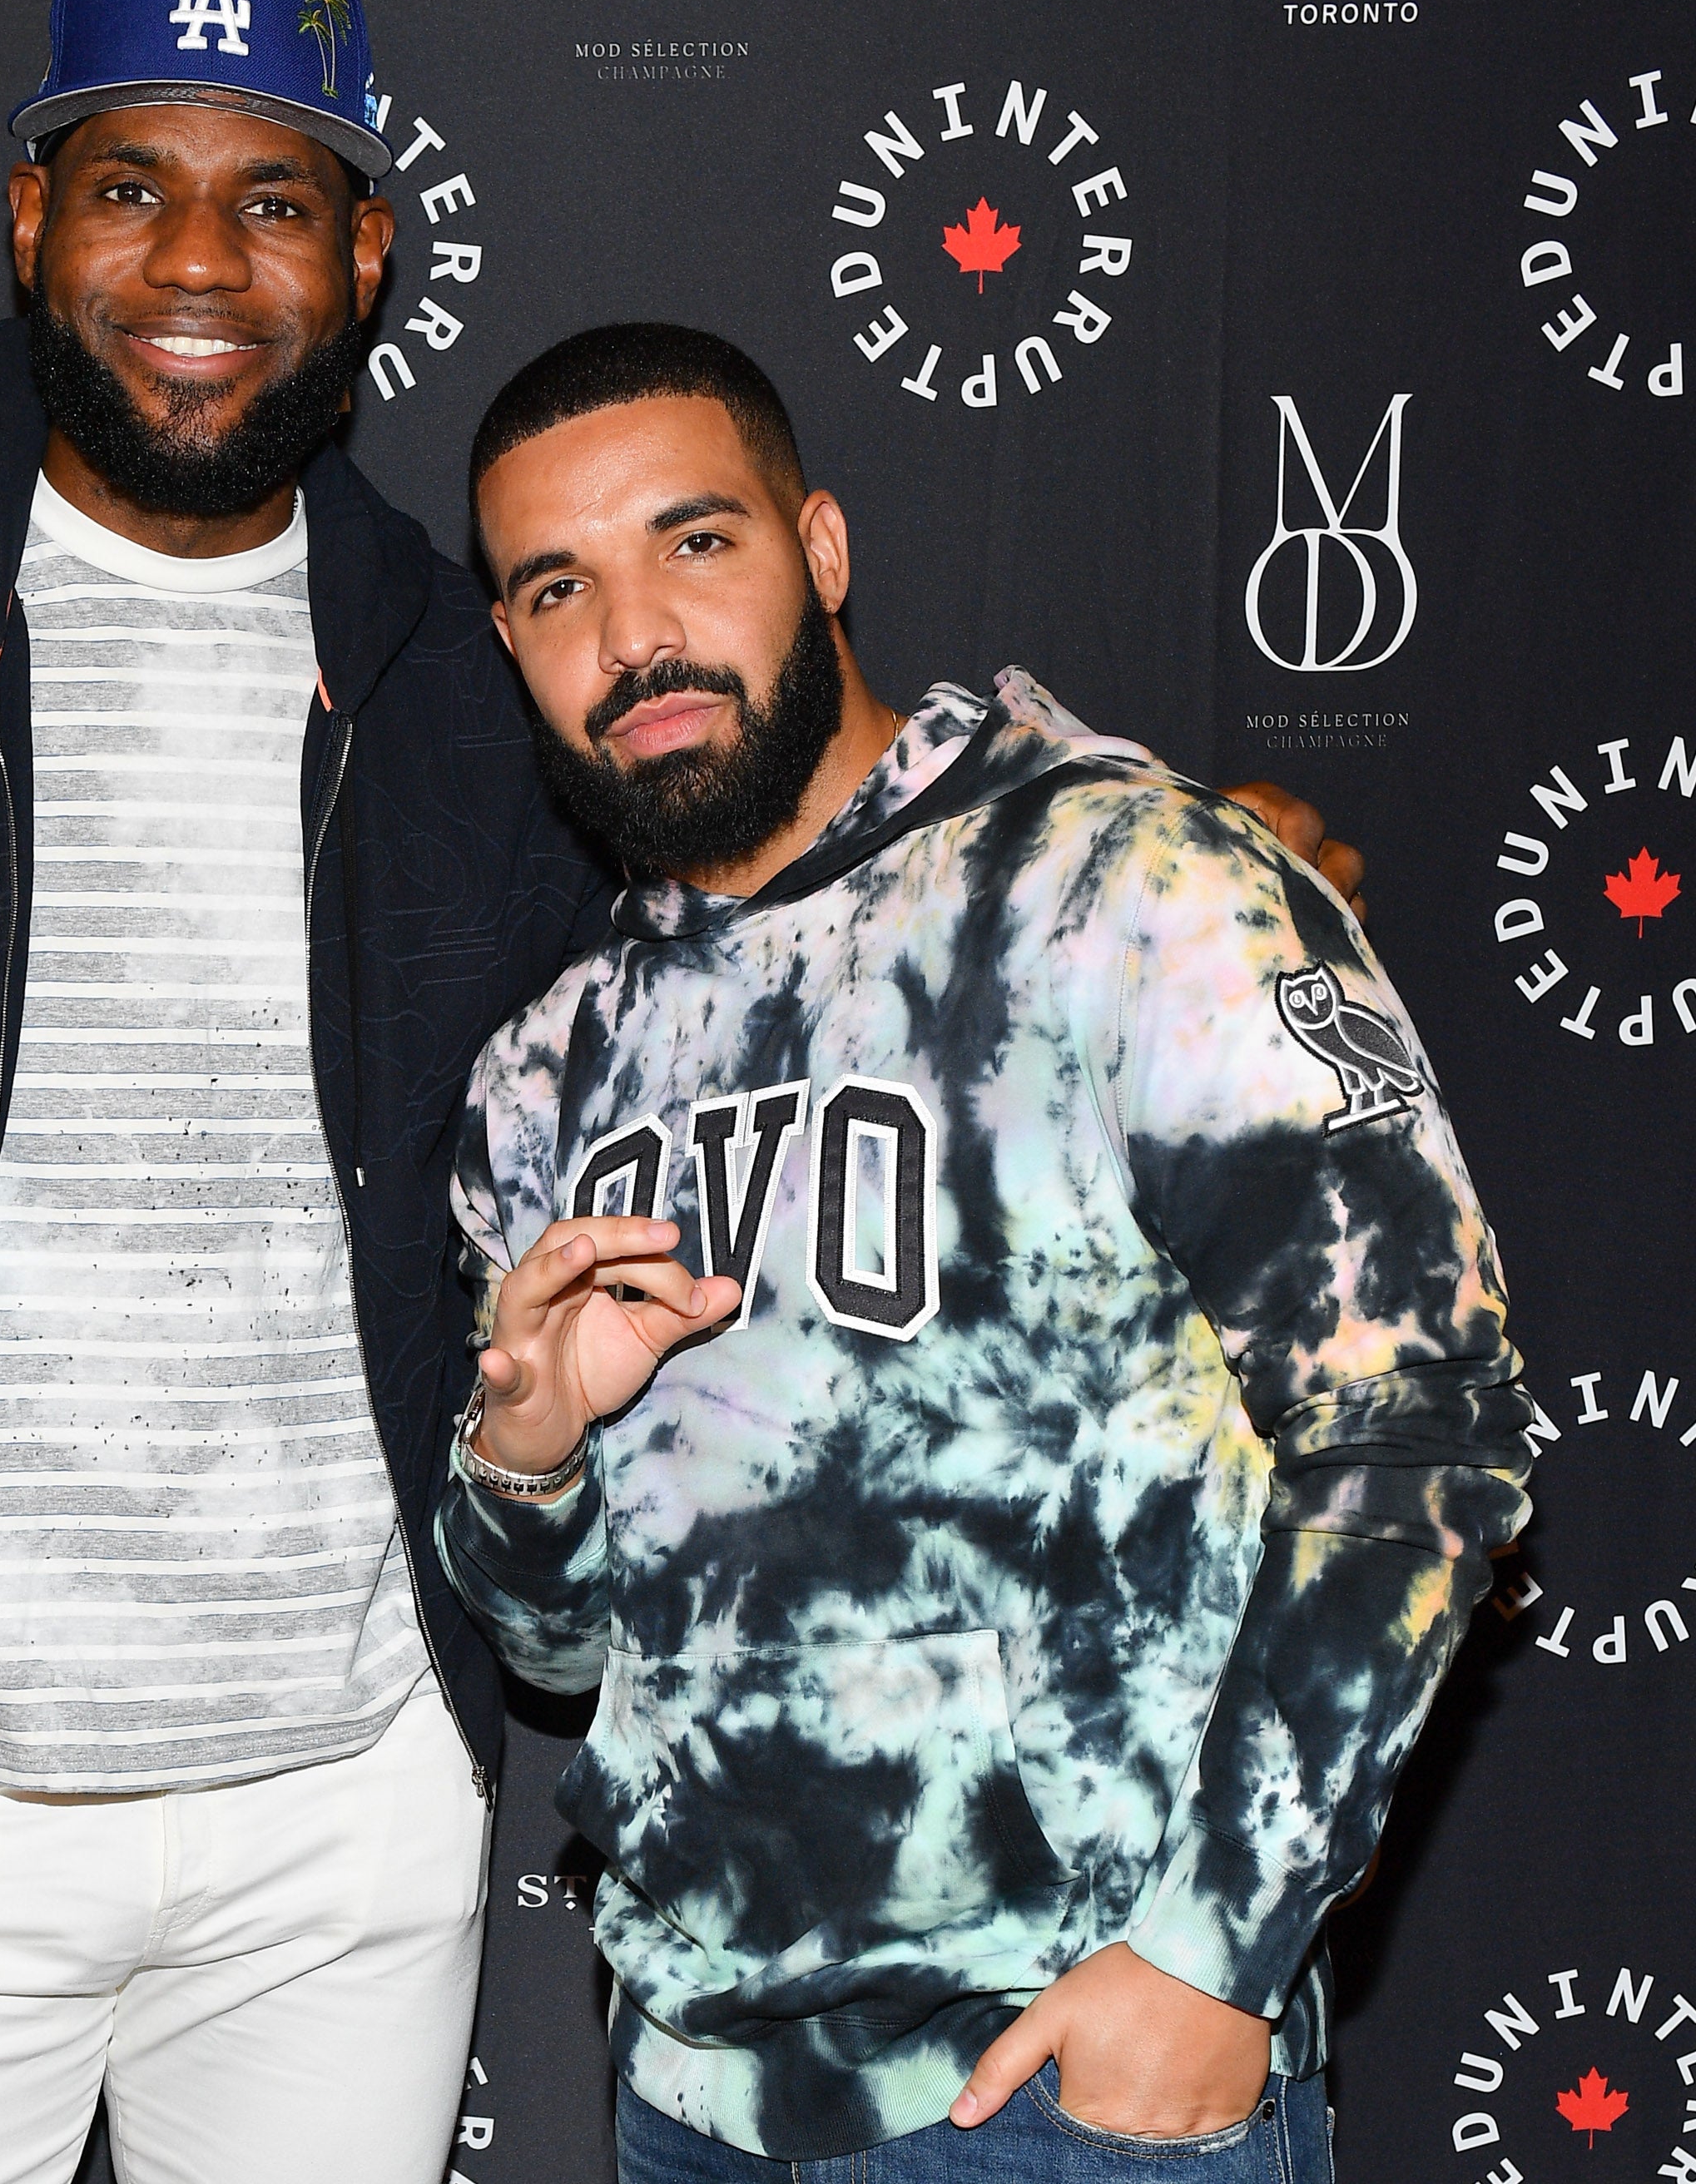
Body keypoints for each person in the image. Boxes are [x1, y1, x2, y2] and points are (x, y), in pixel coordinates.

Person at [0, 0, 1359, 2182]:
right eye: (133, 183)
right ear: (30, 214)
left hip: (351, 1832)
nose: (198, 261)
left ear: (364, 256)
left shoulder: (492, 681)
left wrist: (1161, 865)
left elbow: (773, 907)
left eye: (274, 200)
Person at [436, 323, 1533, 2184]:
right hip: (691, 2086)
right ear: (516, 645)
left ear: (824, 548)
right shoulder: (550, 1065)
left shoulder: (1129, 885)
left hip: (1056, 2085)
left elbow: (1423, 1430)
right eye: (562, 586)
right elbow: (556, 1647)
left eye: (696, 543)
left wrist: (1209, 1952)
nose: (636, 637)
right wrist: (526, 1444)